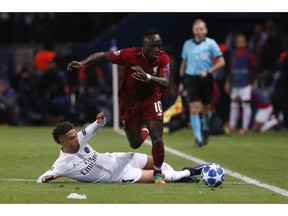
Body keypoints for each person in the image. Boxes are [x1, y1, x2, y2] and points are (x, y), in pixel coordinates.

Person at [67, 29, 170, 184]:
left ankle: (157, 172)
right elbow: (103, 55)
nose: (157, 50)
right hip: (129, 102)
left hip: (151, 99)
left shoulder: (163, 58)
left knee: (157, 139)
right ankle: (146, 128)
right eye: (153, 46)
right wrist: (83, 63)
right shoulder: (130, 55)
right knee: (134, 144)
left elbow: (166, 82)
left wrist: (147, 77)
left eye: (159, 46)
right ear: (144, 47)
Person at [37, 111, 204, 184]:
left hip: (120, 158)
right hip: (121, 175)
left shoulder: (81, 137)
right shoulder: (62, 165)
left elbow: (97, 126)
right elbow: (42, 177)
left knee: (159, 163)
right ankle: (193, 171)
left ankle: (180, 176)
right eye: (72, 138)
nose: (77, 139)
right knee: (158, 176)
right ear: (62, 143)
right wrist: (45, 178)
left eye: (75, 135)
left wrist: (100, 120)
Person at [178, 19, 225, 147]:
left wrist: (209, 71)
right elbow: (183, 63)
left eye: (201, 29)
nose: (199, 31)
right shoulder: (187, 44)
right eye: (196, 29)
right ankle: (198, 138)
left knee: (206, 110)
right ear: (193, 30)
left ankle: (205, 128)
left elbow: (221, 62)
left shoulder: (211, 44)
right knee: (194, 108)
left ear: (205, 30)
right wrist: (181, 82)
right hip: (191, 79)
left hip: (206, 79)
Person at [225, 33, 257, 134]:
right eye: (238, 41)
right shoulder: (233, 54)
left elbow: (254, 69)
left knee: (245, 104)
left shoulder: (249, 54)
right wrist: (228, 82)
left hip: (246, 82)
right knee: (234, 104)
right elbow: (230, 69)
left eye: (242, 41)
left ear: (245, 42)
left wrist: (255, 81)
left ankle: (245, 127)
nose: (240, 43)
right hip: (235, 81)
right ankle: (232, 126)